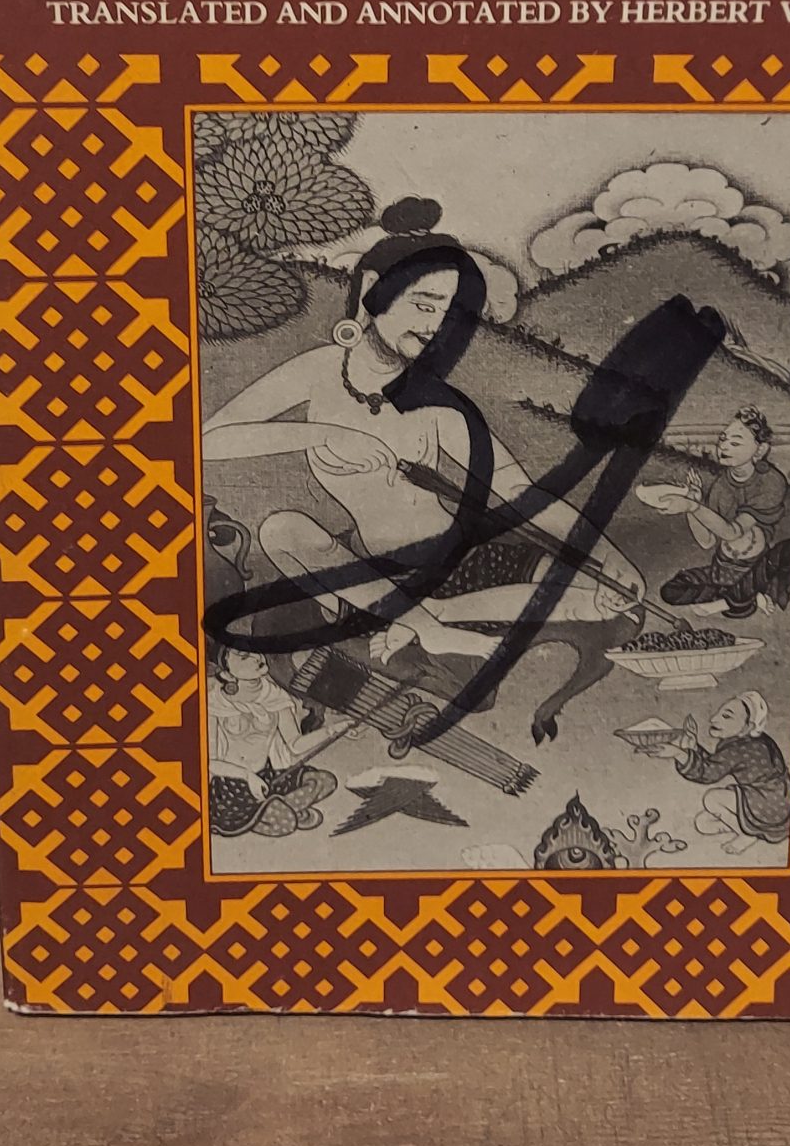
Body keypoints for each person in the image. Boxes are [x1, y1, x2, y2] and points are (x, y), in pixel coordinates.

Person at [201, 198, 647, 668]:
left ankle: (434, 618)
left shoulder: (439, 403)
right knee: (282, 529)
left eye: (449, 315)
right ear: (372, 290)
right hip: (379, 572)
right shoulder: (318, 371)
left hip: (463, 567)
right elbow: (209, 441)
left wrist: (608, 554)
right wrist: (321, 433)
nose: (435, 327)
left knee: (601, 595)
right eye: (423, 305)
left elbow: (519, 492)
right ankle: (425, 624)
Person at [645, 406, 790, 618]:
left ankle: (731, 599)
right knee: (670, 592)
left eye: (735, 442)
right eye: (723, 439)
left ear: (760, 450)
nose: (723, 446)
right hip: (722, 569)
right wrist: (694, 504)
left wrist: (692, 506)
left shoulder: (771, 481)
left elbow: (732, 532)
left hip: (757, 566)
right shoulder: (721, 487)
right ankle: (745, 596)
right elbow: (707, 541)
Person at [206, 647, 336, 837]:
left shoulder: (274, 696)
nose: (256, 657)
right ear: (227, 674)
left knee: (325, 781)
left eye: (253, 651)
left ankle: (278, 809)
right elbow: (208, 761)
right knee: (285, 824)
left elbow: (295, 744)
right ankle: (276, 813)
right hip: (234, 784)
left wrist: (333, 730)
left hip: (270, 775)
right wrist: (247, 776)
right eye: (244, 657)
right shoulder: (215, 703)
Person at [649, 692, 790, 853]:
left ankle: (747, 835)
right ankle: (750, 830)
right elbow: (716, 763)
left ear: (748, 726)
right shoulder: (752, 740)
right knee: (703, 823)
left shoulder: (741, 748)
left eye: (726, 716)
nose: (713, 719)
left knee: (712, 799)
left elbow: (708, 773)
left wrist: (679, 754)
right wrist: (694, 748)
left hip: (768, 802)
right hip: (779, 803)